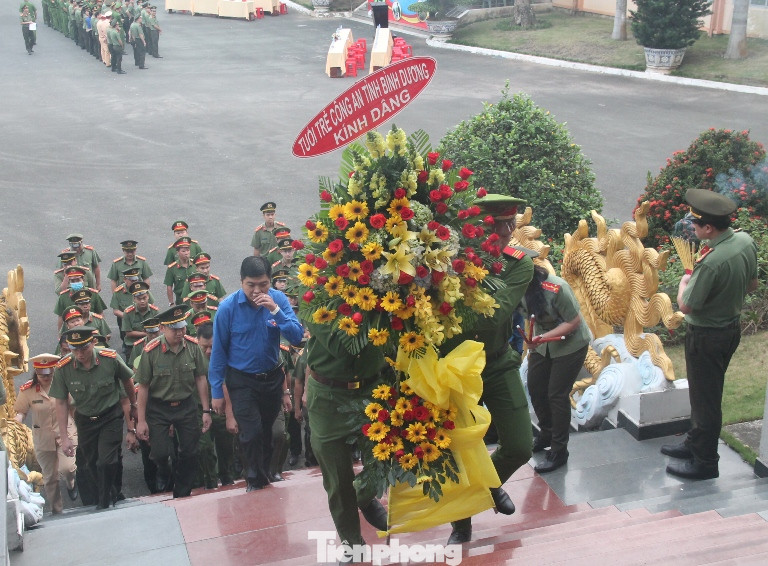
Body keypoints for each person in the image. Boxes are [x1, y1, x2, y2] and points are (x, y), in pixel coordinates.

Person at [439, 194, 534, 545]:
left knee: (520, 446)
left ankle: (488, 487)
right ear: (477, 228)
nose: (508, 231)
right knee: (460, 449)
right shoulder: (446, 259)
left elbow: (493, 314)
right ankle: (461, 524)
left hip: (496, 362)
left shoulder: (518, 263)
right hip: (456, 370)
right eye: (499, 224)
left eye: (512, 223)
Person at [661, 189, 759, 480]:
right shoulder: (744, 241)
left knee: (706, 401)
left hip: (706, 336)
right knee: (703, 393)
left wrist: (684, 283)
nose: (691, 227)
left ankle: (705, 462)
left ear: (709, 228)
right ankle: (694, 442)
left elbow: (686, 305)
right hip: (729, 330)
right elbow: (752, 285)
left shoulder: (712, 261)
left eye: (695, 223)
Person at [208, 256, 303, 491]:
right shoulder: (228, 308)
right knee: (250, 433)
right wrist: (216, 391)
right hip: (242, 380)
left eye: (263, 284)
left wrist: (275, 310)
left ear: (270, 281)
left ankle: (264, 474)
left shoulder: (278, 300)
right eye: (251, 285)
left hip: (271, 378)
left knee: (268, 432)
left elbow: (296, 336)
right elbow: (218, 352)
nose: (257, 291)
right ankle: (254, 479)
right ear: (241, 282)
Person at [304, 317, 389, 545]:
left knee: (384, 458)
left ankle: (364, 495)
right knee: (337, 477)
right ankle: (351, 543)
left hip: (372, 389)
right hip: (328, 397)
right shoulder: (315, 298)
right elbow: (342, 347)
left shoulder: (380, 296)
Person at [50, 327, 138, 509]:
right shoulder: (64, 368)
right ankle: (113, 492)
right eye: (74, 349)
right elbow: (61, 402)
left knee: (106, 461)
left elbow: (127, 380)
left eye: (84, 348)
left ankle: (104, 501)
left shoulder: (110, 358)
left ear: (93, 342)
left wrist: (134, 405)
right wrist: (64, 437)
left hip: (110, 415)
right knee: (90, 464)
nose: (80, 354)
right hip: (85, 419)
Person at [135, 307, 212, 497]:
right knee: (160, 452)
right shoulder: (151, 351)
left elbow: (200, 378)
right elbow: (143, 387)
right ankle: (163, 470)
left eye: (182, 328)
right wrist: (141, 420)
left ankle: (182, 490)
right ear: (162, 328)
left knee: (190, 451)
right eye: (174, 329)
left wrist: (206, 410)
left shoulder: (193, 347)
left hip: (185, 405)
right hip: (159, 407)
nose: (180, 333)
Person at [523, 264, 591, 473]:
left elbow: (573, 321)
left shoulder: (556, 287)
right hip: (542, 344)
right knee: (535, 387)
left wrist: (541, 338)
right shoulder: (516, 287)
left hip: (570, 344)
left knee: (557, 395)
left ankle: (559, 450)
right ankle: (546, 434)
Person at [15, 354, 78, 514]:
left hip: (65, 433)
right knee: (50, 478)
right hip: (43, 438)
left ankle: (71, 483)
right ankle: (57, 510)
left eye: (49, 373)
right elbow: (21, 412)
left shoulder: (63, 384)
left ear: (54, 371)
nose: (45, 377)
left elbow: (73, 406)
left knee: (67, 468)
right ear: (36, 372)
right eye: (41, 373)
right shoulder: (28, 390)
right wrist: (15, 426)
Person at [196, 322, 236, 488]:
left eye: (212, 347)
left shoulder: (228, 355)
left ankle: (227, 477)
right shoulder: (192, 356)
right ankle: (210, 481)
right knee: (204, 448)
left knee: (226, 447)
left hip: (223, 410)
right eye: (204, 347)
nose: (208, 351)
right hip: (200, 410)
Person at [121, 281, 160, 359]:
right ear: (134, 299)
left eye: (144, 298)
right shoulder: (128, 313)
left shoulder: (155, 311)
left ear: (148, 296)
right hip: (133, 344)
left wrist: (150, 335)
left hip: (151, 341)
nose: (142, 301)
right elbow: (128, 333)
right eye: (139, 299)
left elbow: (159, 329)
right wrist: (146, 334)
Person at [165, 237, 197, 306]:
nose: (186, 253)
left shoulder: (195, 265)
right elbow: (169, 286)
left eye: (188, 250)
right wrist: (171, 302)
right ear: (178, 253)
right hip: (181, 300)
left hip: (195, 299)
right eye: (183, 251)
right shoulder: (172, 268)